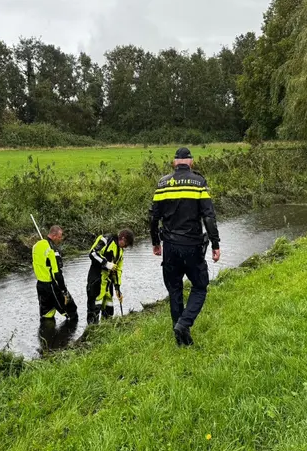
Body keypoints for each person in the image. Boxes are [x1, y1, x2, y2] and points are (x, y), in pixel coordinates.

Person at [150, 147, 221, 346]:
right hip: (192, 245)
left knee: (174, 289)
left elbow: (154, 217)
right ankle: (184, 324)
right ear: (191, 161)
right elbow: (208, 216)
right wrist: (216, 244)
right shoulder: (199, 182)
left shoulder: (162, 184)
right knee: (200, 286)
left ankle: (180, 337)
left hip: (170, 246)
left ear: (175, 162)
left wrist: (156, 243)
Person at [86, 229, 135, 324]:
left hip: (108, 283)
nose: (125, 247)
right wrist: (106, 263)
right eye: (126, 244)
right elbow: (92, 253)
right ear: (123, 238)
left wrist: (117, 288)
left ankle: (107, 329)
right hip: (96, 279)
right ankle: (92, 331)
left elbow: (118, 270)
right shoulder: (106, 240)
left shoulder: (120, 251)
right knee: (94, 309)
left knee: (109, 308)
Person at [32, 225, 78, 321]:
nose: (60, 239)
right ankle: (71, 334)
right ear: (54, 235)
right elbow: (57, 274)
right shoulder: (53, 250)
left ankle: (47, 334)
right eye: (60, 236)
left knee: (47, 314)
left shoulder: (36, 246)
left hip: (40, 285)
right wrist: (64, 291)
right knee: (71, 311)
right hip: (52, 286)